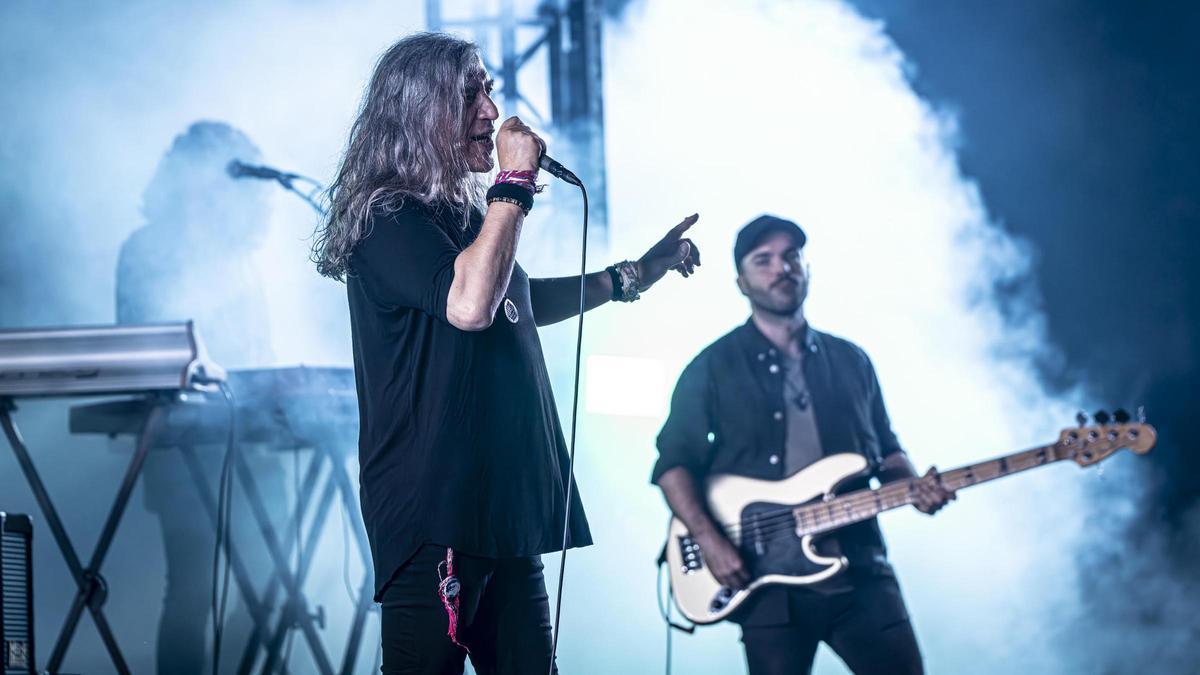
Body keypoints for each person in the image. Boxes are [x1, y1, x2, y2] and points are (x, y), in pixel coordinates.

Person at [312, 32, 701, 674]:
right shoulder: (388, 218)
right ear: (419, 111)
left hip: (501, 509)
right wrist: (513, 182)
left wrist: (633, 275)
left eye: (488, 92)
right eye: (472, 94)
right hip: (436, 515)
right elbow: (469, 306)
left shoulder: (461, 220)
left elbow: (517, 299)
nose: (492, 112)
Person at [652, 215, 955, 675]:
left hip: (861, 570)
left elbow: (887, 449)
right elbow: (673, 463)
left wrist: (913, 487)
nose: (782, 268)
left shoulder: (852, 360)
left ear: (807, 268)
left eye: (792, 257)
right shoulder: (712, 366)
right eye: (764, 260)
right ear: (741, 281)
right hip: (767, 585)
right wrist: (709, 539)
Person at [116, 120, 283, 673]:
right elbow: (148, 350)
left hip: (251, 444)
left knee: (274, 585)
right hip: (185, 444)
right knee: (191, 588)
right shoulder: (146, 249)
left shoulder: (239, 257)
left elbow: (257, 350)